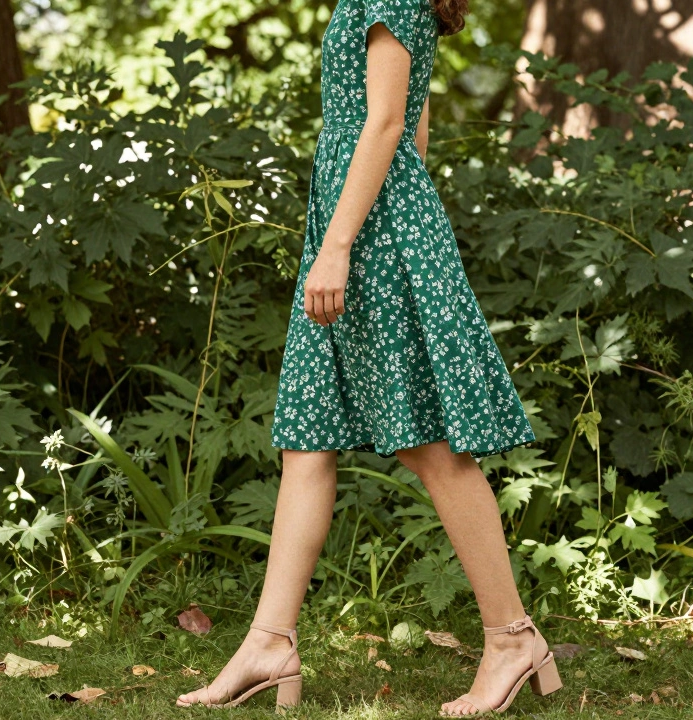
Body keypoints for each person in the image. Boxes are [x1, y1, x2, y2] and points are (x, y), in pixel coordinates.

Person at [175, 0, 561, 714]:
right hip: (365, 220)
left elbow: (386, 122)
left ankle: (512, 638)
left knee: (430, 444)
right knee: (308, 437)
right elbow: (413, 128)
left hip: (368, 238)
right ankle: (269, 642)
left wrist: (342, 245)